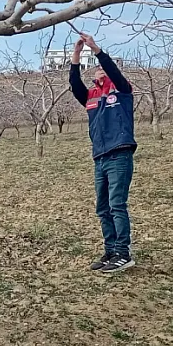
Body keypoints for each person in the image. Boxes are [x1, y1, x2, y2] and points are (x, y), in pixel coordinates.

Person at [69, 34, 136, 273]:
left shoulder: (122, 92)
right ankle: (110, 250)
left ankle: (123, 253)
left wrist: (96, 49)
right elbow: (75, 83)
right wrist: (76, 55)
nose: (99, 71)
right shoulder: (91, 97)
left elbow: (113, 71)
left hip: (119, 153)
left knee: (117, 204)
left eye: (102, 69)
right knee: (103, 208)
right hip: (100, 156)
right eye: (96, 69)